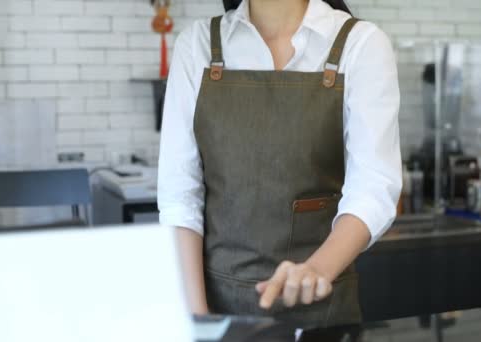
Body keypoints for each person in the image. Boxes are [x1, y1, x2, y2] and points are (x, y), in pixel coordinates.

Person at [158, 0, 401, 331]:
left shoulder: (360, 44)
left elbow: (374, 186)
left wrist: (316, 270)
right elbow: (179, 197)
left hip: (322, 315)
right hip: (216, 308)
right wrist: (200, 323)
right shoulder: (198, 43)